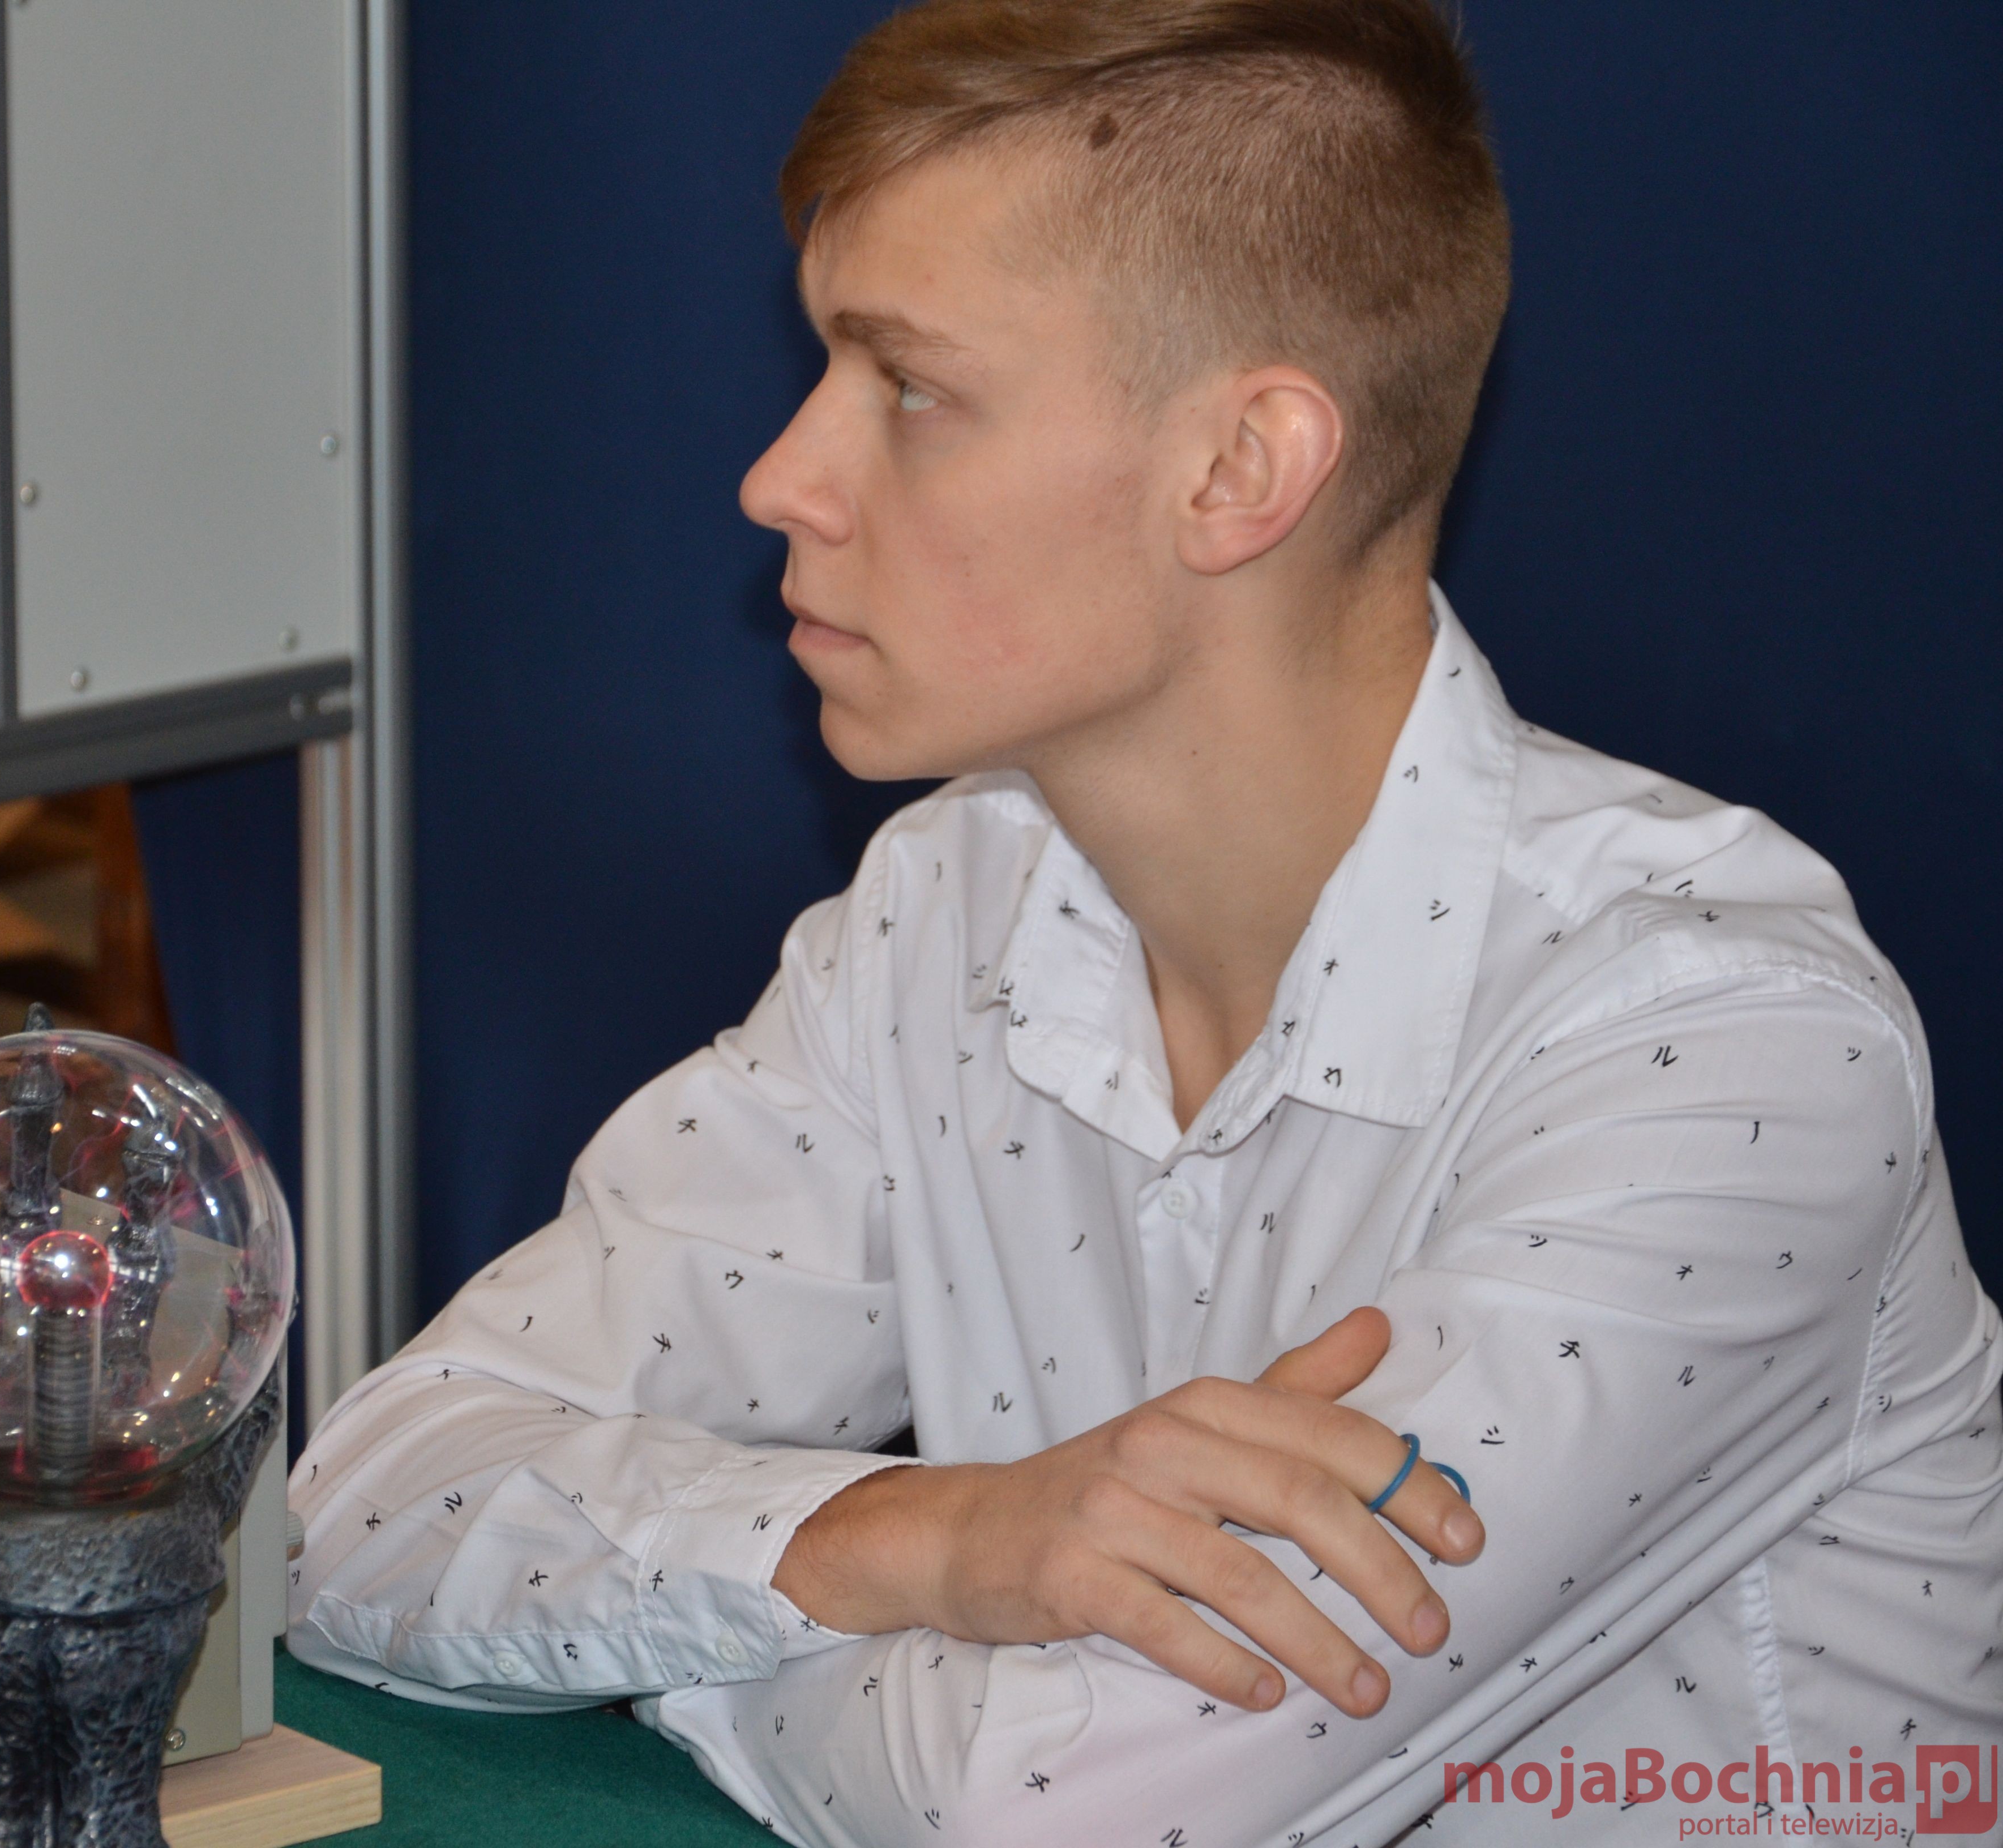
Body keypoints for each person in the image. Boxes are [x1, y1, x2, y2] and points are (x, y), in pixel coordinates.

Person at [284, 2, 2003, 1842]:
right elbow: (359, 1510)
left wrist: (687, 1627)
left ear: (1239, 470)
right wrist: (926, 1536)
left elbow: (1065, 1806)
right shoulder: (947, 909)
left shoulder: (1726, 1050)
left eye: (907, 386)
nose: (780, 478)